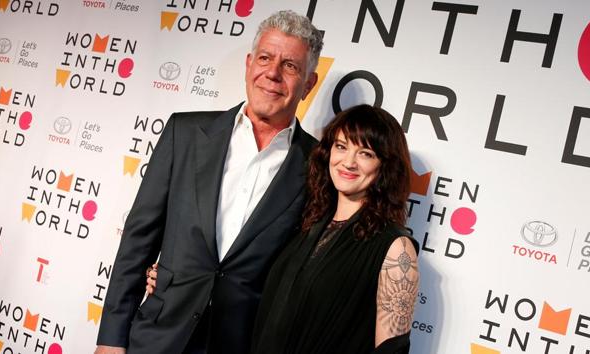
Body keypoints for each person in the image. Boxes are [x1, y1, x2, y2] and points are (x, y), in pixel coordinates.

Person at [95, 10, 322, 354]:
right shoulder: (184, 133)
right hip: (157, 336)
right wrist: (111, 339)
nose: (272, 73)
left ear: (308, 84)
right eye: (264, 58)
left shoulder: (318, 166)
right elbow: (138, 240)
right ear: (248, 64)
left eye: (290, 66)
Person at [148, 104, 420, 353]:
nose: (348, 162)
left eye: (366, 153)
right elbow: (244, 278)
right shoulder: (307, 226)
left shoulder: (395, 248)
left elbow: (391, 351)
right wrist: (179, 279)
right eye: (341, 147)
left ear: (385, 166)